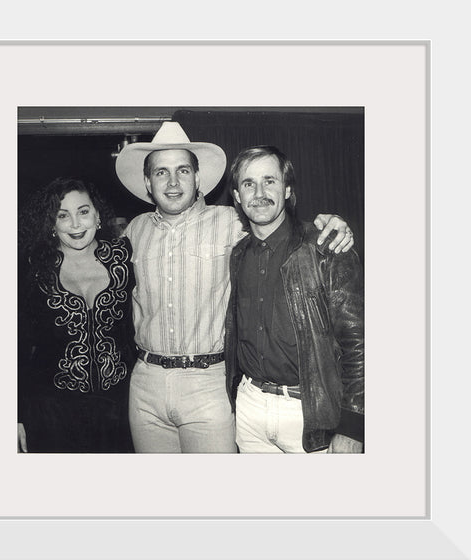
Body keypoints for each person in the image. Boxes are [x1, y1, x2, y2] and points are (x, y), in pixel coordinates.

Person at [115, 122, 355, 453]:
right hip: (145, 384)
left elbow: (280, 226)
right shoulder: (132, 231)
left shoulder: (232, 221)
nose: (172, 182)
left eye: (183, 170)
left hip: (207, 382)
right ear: (147, 182)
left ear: (197, 179)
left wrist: (331, 224)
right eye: (161, 173)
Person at [224, 146, 364, 453]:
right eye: (248, 184)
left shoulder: (325, 247)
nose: (259, 192)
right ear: (236, 196)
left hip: (309, 411)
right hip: (249, 409)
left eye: (269, 181)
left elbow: (358, 342)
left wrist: (354, 427)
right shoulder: (237, 255)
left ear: (287, 189)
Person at [17, 177, 136, 453]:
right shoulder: (34, 270)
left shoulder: (124, 258)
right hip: (51, 412)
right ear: (51, 224)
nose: (75, 224)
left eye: (83, 212)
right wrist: (16, 414)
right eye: (63, 215)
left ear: (97, 215)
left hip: (120, 409)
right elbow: (17, 347)